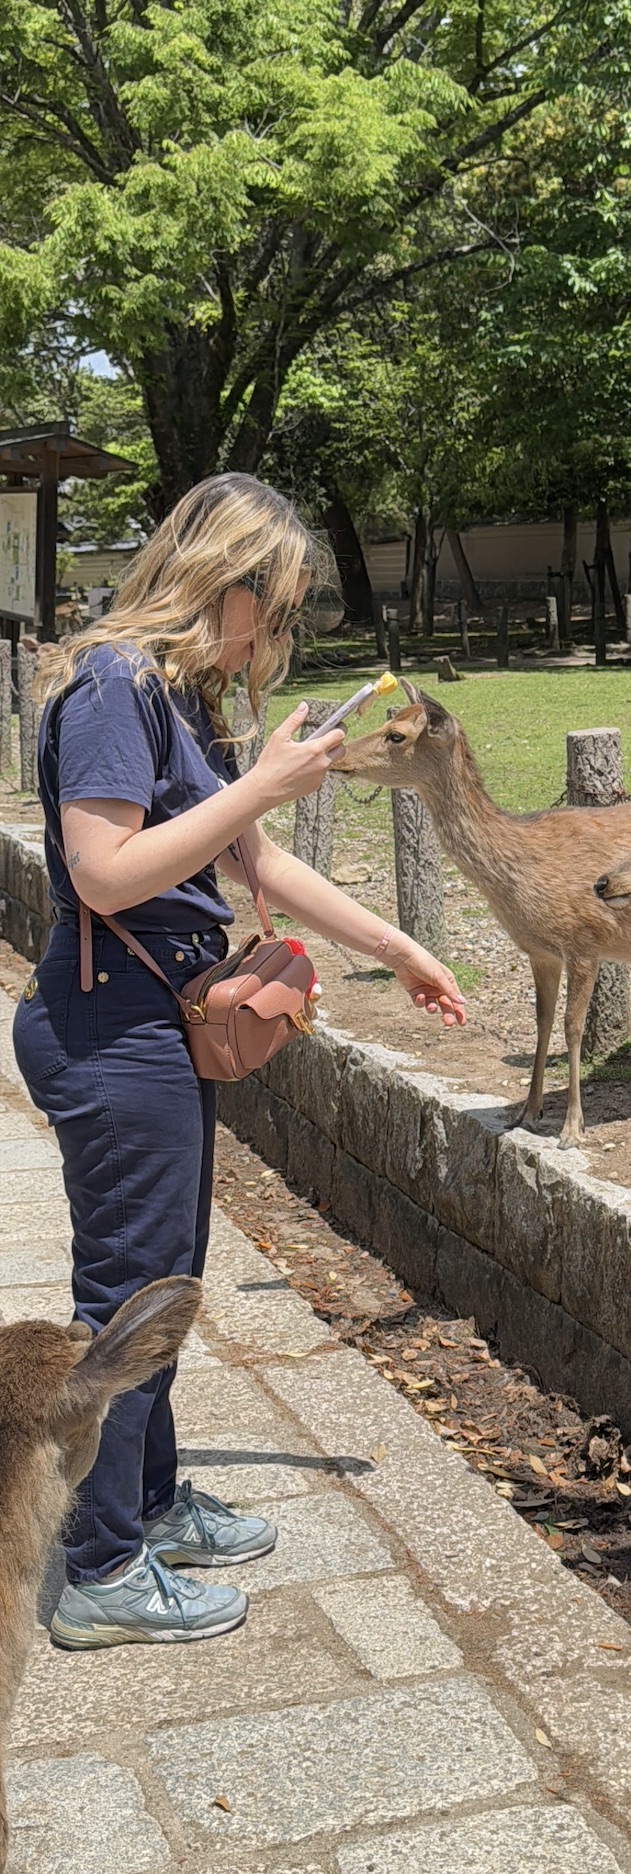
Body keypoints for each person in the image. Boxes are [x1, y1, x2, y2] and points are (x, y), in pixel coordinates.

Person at [14, 473, 467, 1648]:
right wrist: (264, 779)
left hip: (147, 1021)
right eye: (277, 604)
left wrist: (392, 945)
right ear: (228, 580)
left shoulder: (180, 691)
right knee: (130, 1294)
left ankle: (148, 1503)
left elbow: (251, 862)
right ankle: (103, 1564)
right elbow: (105, 872)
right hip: (108, 1025)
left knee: (165, 1278)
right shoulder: (115, 685)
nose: (276, 631)